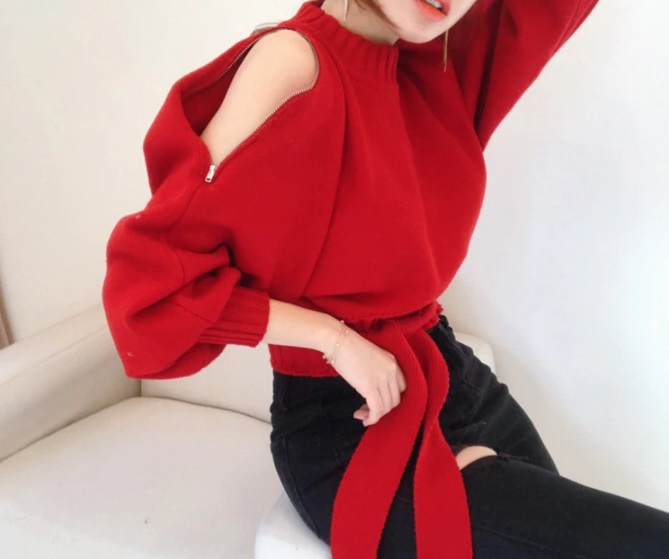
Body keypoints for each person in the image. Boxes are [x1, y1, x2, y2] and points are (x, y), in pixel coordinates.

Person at [102, 0, 669, 557]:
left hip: (454, 382)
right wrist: (335, 339)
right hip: (345, 428)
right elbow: (153, 293)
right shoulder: (294, 61)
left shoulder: (442, 64)